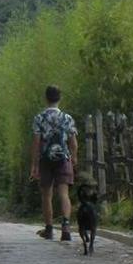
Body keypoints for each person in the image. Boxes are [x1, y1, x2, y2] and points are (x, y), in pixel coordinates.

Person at [30, 85, 78, 241]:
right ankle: (65, 227)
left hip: (45, 160)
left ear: (46, 98)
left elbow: (36, 143)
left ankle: (49, 228)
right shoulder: (67, 118)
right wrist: (74, 157)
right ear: (60, 98)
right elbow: (73, 142)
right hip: (63, 158)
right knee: (64, 194)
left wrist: (35, 165)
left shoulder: (39, 118)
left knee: (46, 195)